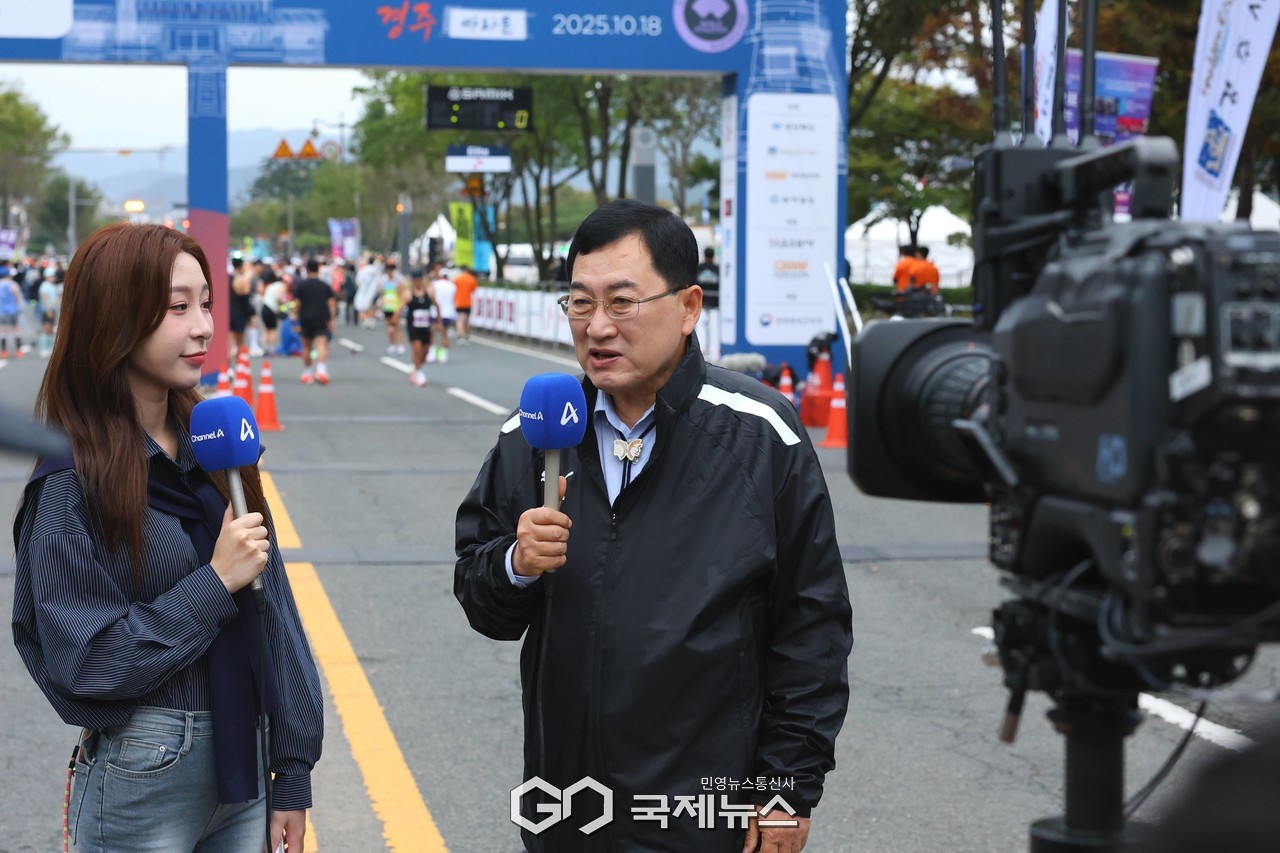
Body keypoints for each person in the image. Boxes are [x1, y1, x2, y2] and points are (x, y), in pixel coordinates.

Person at [455, 199, 852, 852]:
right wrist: (515, 564)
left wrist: (786, 788)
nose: (597, 327)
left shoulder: (760, 434)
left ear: (689, 307)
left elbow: (813, 625)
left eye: (622, 302)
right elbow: (481, 599)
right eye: (580, 303)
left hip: (706, 816)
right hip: (569, 811)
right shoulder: (531, 434)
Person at [11, 222, 323, 852]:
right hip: (143, 772)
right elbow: (86, 663)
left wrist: (292, 771)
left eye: (206, 304)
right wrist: (214, 583)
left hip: (246, 764)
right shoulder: (71, 479)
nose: (204, 327)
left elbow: (276, 614)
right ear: (114, 319)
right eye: (178, 308)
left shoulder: (218, 447)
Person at [294, 257, 336, 385]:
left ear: (306, 269)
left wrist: (294, 316)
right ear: (318, 268)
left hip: (305, 318)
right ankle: (321, 370)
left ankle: (307, 372)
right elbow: (331, 303)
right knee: (321, 344)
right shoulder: (324, 286)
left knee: (306, 346)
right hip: (320, 317)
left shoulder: (301, 285)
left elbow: (297, 303)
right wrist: (331, 319)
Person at [404, 268, 435, 387]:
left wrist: (437, 321)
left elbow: (436, 305)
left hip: (426, 326)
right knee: (416, 349)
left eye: (420, 279)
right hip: (413, 326)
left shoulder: (429, 292)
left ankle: (416, 366)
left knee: (425, 350)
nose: (418, 281)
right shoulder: (408, 293)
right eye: (416, 279)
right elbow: (401, 306)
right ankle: (418, 372)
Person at [428, 264, 456, 364]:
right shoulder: (452, 286)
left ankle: (432, 352)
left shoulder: (435, 284)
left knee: (432, 332)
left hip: (435, 312)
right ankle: (443, 353)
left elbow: (430, 296)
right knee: (444, 333)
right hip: (447, 313)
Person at [380, 260, 407, 355]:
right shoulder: (384, 281)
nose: (389, 271)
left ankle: (400, 345)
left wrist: (399, 308)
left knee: (397, 327)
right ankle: (392, 345)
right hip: (387, 307)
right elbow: (382, 294)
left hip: (396, 307)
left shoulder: (398, 281)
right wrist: (382, 305)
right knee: (389, 328)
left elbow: (401, 295)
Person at [0, 264, 24, 359]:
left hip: (2, 311)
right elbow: (18, 297)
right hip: (13, 310)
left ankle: (4, 351)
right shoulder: (13, 284)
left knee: (3, 331)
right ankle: (18, 350)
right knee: (16, 329)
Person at [452, 264, 478, 343]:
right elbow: (474, 290)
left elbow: (453, 289)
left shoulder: (457, 279)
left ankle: (460, 334)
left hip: (459, 302)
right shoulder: (472, 279)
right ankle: (467, 335)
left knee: (460, 318)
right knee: (467, 319)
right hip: (468, 302)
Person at [696, 244, 720, 308]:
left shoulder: (699, 268)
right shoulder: (717, 269)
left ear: (704, 256)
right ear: (713, 256)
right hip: (715, 301)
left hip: (700, 300)